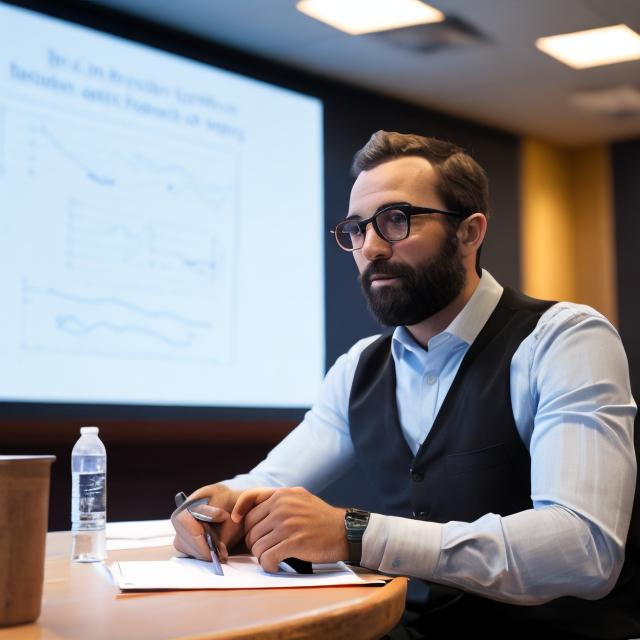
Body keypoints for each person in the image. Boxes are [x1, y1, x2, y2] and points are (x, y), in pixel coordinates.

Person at [172, 131, 639, 638]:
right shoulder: (359, 368)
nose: (370, 247)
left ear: (470, 232)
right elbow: (266, 482)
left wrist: (356, 533)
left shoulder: (564, 339)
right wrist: (213, 505)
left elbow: (585, 550)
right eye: (356, 229)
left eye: (397, 221)